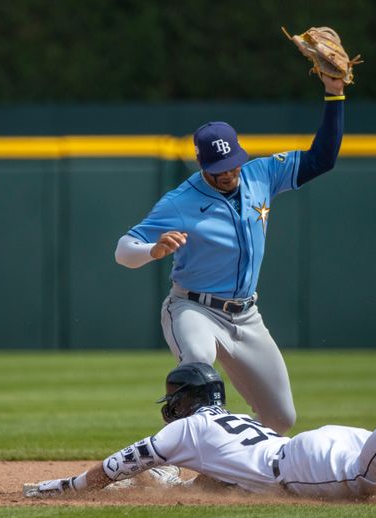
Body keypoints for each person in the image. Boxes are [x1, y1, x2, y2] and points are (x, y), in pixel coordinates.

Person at [23, 341, 376, 499]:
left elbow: (118, 465)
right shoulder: (230, 423)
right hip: (317, 444)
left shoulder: (181, 431)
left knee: (363, 483)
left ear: (182, 401)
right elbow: (218, 481)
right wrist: (180, 487)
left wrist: (58, 487)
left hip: (305, 465)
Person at [114, 74, 347, 435]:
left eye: (234, 162)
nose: (229, 172)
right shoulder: (179, 202)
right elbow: (123, 251)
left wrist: (335, 95)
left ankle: (223, 470)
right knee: (198, 374)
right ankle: (167, 463)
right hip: (194, 309)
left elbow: (323, 159)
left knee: (281, 419)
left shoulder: (262, 174)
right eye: (219, 168)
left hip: (246, 315)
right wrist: (152, 249)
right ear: (202, 165)